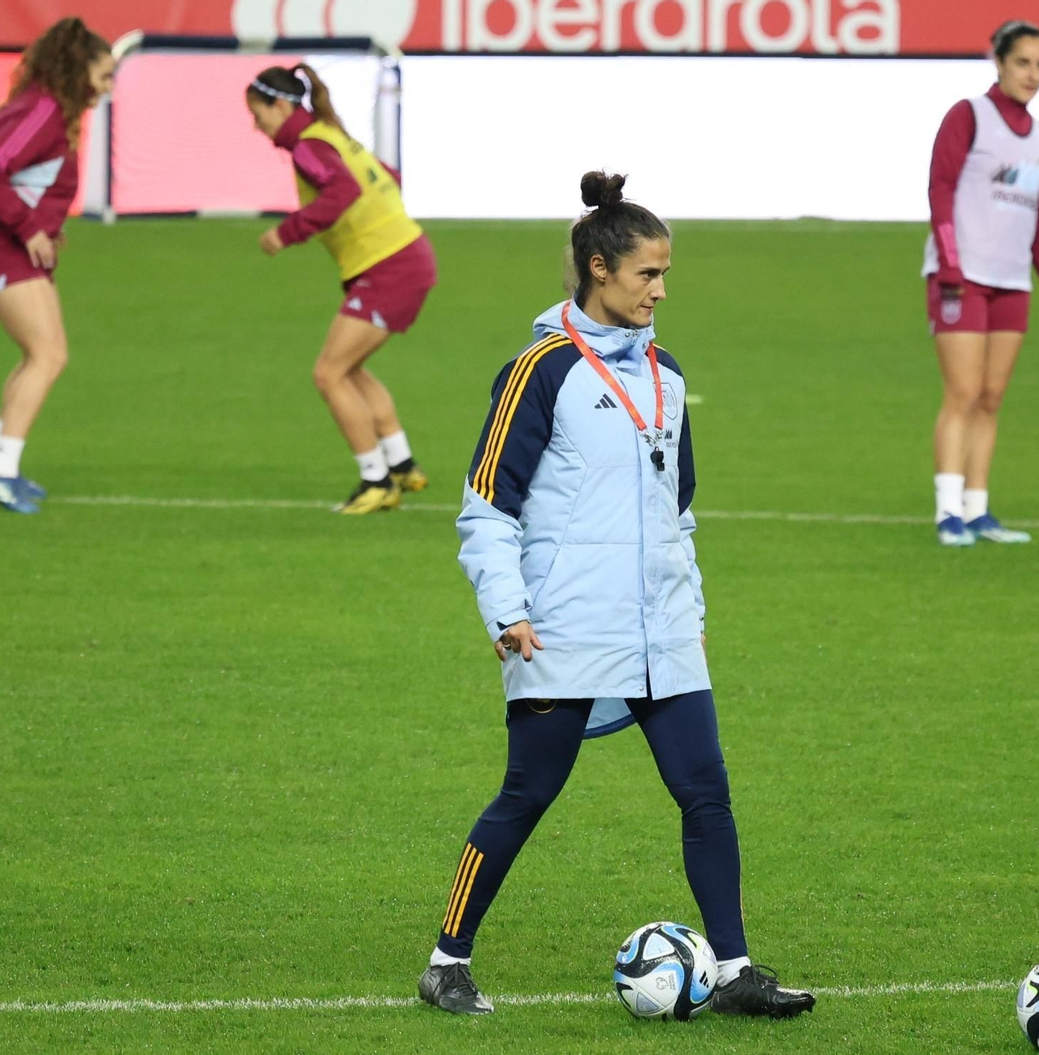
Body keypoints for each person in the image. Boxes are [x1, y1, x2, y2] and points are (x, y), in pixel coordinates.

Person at [417, 172, 816, 1020]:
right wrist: (508, 608)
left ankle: (737, 965)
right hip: (564, 625)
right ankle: (447, 959)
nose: (661, 291)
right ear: (598, 268)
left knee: (705, 790)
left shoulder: (667, 376)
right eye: (647, 274)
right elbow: (486, 507)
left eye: (666, 274)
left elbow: (680, 510)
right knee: (528, 792)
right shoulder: (541, 370)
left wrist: (691, 613)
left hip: (661, 625)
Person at [247, 65, 436, 514]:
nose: (257, 125)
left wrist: (287, 232)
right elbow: (386, 176)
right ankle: (401, 463)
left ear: (280, 105)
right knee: (348, 368)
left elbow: (342, 191)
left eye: (259, 114)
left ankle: (376, 481)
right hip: (404, 257)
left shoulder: (310, 145)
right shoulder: (330, 135)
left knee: (328, 373)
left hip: (389, 265)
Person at [922, 20, 1039, 546]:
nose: (1033, 75)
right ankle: (948, 513)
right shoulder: (969, 116)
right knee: (962, 393)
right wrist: (949, 263)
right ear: (999, 61)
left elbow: (1038, 213)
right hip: (962, 277)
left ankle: (978, 509)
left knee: (991, 397)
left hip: (1012, 281)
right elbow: (940, 188)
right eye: (1023, 63)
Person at [0, 18, 113, 513]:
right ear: (78, 69)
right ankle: (0, 469)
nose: (109, 87)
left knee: (38, 355)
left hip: (10, 243)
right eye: (105, 75)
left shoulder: (51, 110)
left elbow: (29, 177)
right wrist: (28, 229)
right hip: (0, 246)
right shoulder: (45, 110)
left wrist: (46, 224)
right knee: (48, 355)